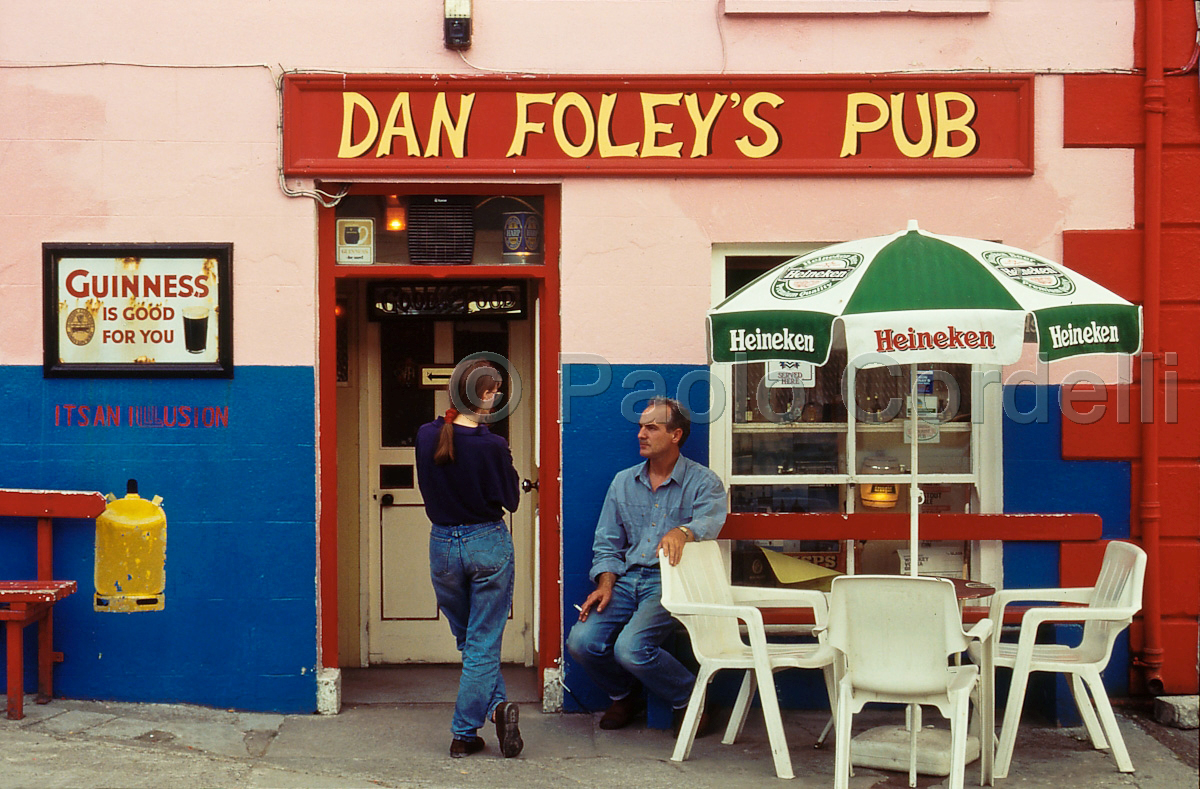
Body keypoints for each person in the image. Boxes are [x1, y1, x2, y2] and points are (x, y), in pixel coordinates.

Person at [566, 396, 727, 735]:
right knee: (581, 642)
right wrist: (605, 584)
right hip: (625, 581)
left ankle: (691, 698)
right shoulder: (623, 482)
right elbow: (607, 543)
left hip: (670, 581)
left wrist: (684, 531)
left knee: (631, 648)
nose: (641, 434)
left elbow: (711, 520)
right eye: (640, 427)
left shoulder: (703, 481)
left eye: (651, 428)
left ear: (676, 435)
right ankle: (624, 695)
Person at [415, 357, 523, 759]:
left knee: (469, 639)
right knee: (481, 642)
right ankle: (463, 733)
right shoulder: (492, 445)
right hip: (486, 543)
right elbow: (510, 500)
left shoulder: (427, 435)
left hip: (442, 545)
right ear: (487, 394)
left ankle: (498, 708)